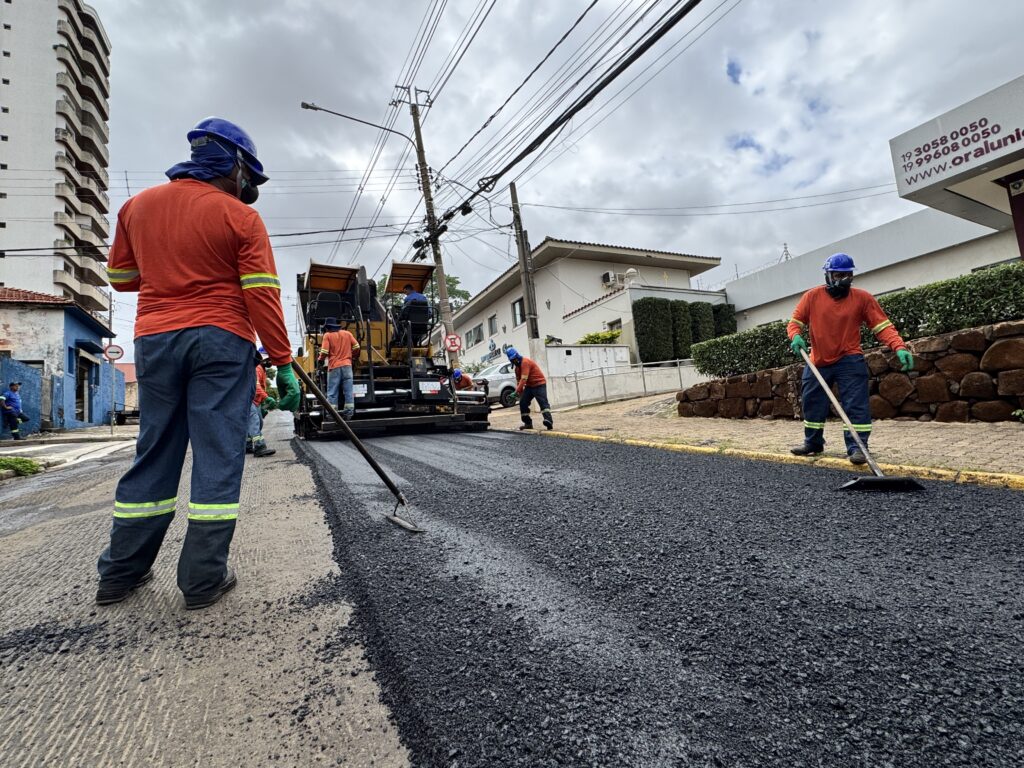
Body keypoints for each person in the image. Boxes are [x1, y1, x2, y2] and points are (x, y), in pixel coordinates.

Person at [96, 116, 301, 610]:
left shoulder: (136, 207)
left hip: (156, 340)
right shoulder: (240, 217)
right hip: (221, 340)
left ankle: (119, 574)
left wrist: (168, 259)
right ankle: (203, 580)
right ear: (234, 165)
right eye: (248, 176)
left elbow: (122, 278)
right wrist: (282, 359)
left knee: (156, 449)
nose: (248, 187)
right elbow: (261, 294)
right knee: (217, 452)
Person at [786, 253, 913, 465]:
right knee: (812, 401)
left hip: (849, 358)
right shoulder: (812, 297)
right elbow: (795, 322)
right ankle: (813, 442)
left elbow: (882, 326)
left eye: (847, 275)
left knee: (855, 404)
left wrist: (899, 346)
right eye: (837, 275)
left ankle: (858, 447)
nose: (842, 280)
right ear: (827, 275)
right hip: (818, 360)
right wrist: (796, 336)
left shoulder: (862, 298)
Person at [318, 320, 360, 418]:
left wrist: (320, 360)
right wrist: (351, 356)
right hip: (347, 366)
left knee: (332, 392)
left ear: (328, 328)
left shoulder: (327, 335)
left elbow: (324, 351)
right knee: (348, 392)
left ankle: (332, 415)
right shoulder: (347, 334)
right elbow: (357, 346)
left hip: (334, 367)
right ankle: (349, 414)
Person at [506, 347, 553, 430]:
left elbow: (524, 379)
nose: (514, 361)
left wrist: (515, 392)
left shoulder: (525, 362)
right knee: (523, 402)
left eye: (515, 358)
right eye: (512, 360)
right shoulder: (517, 369)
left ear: (517, 356)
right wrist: (518, 394)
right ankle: (528, 423)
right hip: (530, 386)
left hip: (539, 384)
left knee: (543, 402)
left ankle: (548, 421)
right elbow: (519, 382)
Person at [246, 356, 276, 457]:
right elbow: (256, 387)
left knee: (258, 422)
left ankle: (247, 445)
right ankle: (259, 447)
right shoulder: (257, 368)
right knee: (255, 422)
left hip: (255, 401)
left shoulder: (262, 369)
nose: (271, 362)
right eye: (269, 359)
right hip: (249, 400)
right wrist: (266, 398)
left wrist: (262, 404)